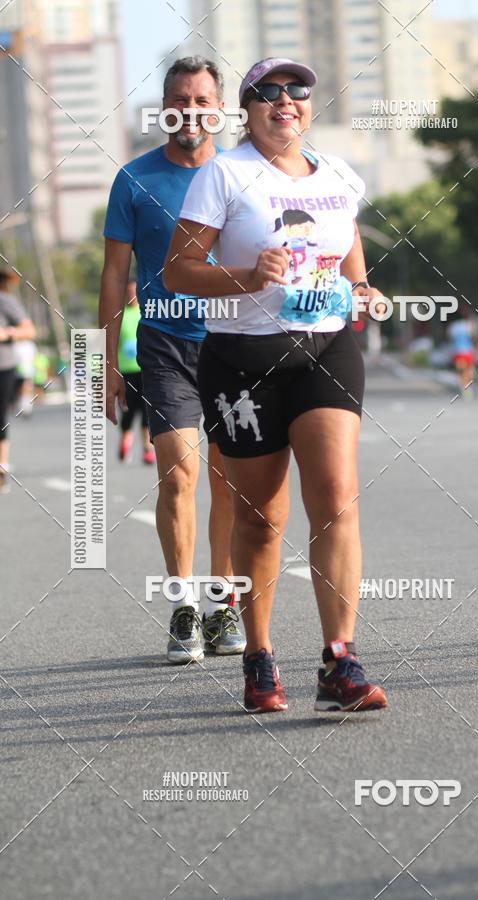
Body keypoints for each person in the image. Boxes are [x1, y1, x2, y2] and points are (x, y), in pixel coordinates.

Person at [164, 56, 389, 714]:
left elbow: (352, 266)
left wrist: (364, 292)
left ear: (310, 104)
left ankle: (338, 660)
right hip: (240, 361)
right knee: (262, 522)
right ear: (248, 108)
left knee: (338, 500)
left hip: (325, 351)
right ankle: (259, 655)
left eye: (297, 91)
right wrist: (246, 276)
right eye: (268, 93)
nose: (284, 101)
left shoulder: (340, 177)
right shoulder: (223, 175)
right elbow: (178, 272)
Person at [99, 56, 245, 660]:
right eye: (179, 101)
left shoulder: (244, 175)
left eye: (203, 101)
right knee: (179, 475)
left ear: (220, 109)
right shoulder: (134, 179)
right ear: (163, 109)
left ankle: (222, 606)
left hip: (234, 342)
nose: (191, 112)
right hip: (162, 343)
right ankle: (183, 606)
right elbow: (114, 275)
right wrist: (108, 360)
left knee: (229, 479)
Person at [0, 266, 36, 493]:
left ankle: (1, 470)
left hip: (3, 367)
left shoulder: (5, 301)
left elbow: (29, 330)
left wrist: (7, 333)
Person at [117, 280, 155, 465]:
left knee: (147, 411)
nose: (131, 294)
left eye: (134, 291)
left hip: (145, 369)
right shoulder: (119, 315)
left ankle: (147, 449)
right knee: (128, 410)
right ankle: (125, 441)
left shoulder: (146, 313)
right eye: (128, 291)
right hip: (126, 371)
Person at [447, 306, 476, 398]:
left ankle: (465, 387)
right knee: (466, 371)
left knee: (464, 371)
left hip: (460, 351)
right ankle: (465, 388)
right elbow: (473, 338)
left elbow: (450, 340)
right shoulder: (469, 325)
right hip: (464, 351)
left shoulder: (452, 327)